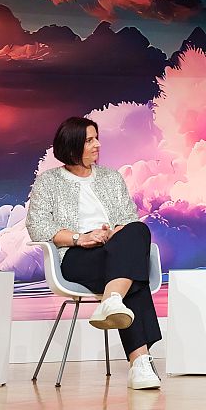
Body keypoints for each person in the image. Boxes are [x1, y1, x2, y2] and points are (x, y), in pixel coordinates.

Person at [26, 117, 162, 390]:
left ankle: (113, 301)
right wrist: (80, 238)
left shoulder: (111, 178)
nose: (97, 144)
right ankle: (140, 362)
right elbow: (37, 226)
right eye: (89, 140)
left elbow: (126, 217)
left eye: (97, 138)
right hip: (75, 256)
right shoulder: (49, 182)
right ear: (72, 144)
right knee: (134, 276)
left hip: (112, 248)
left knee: (138, 230)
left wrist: (111, 233)